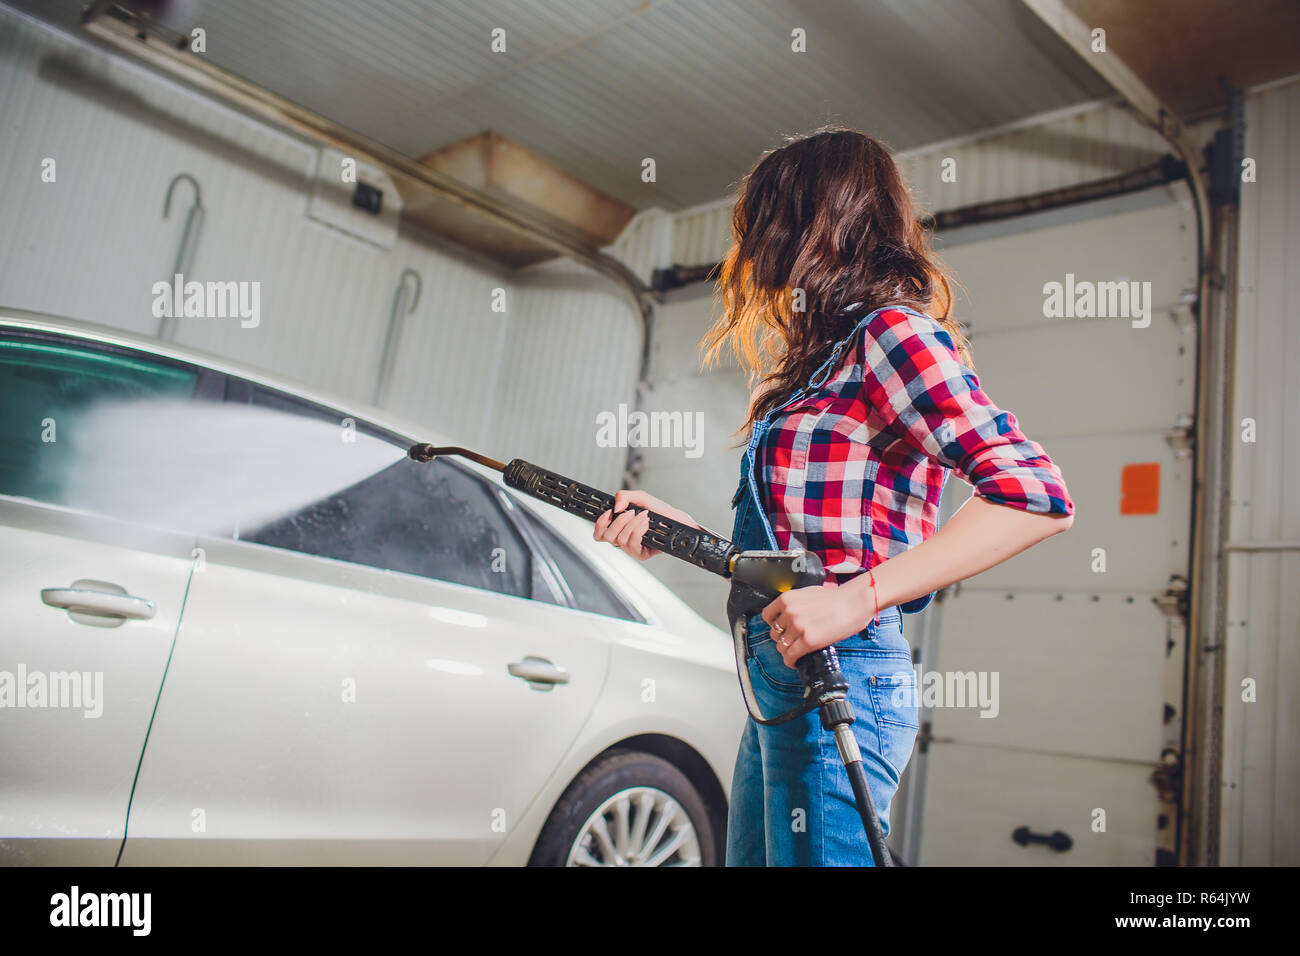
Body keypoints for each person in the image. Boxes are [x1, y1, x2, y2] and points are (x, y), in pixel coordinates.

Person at [595, 127, 1075, 866]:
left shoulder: (892, 334)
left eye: (767, 223)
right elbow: (795, 560)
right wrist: (681, 530)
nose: (753, 249)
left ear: (819, 222)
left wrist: (859, 598)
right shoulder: (818, 363)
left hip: (842, 675)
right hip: (780, 689)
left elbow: (1034, 495)